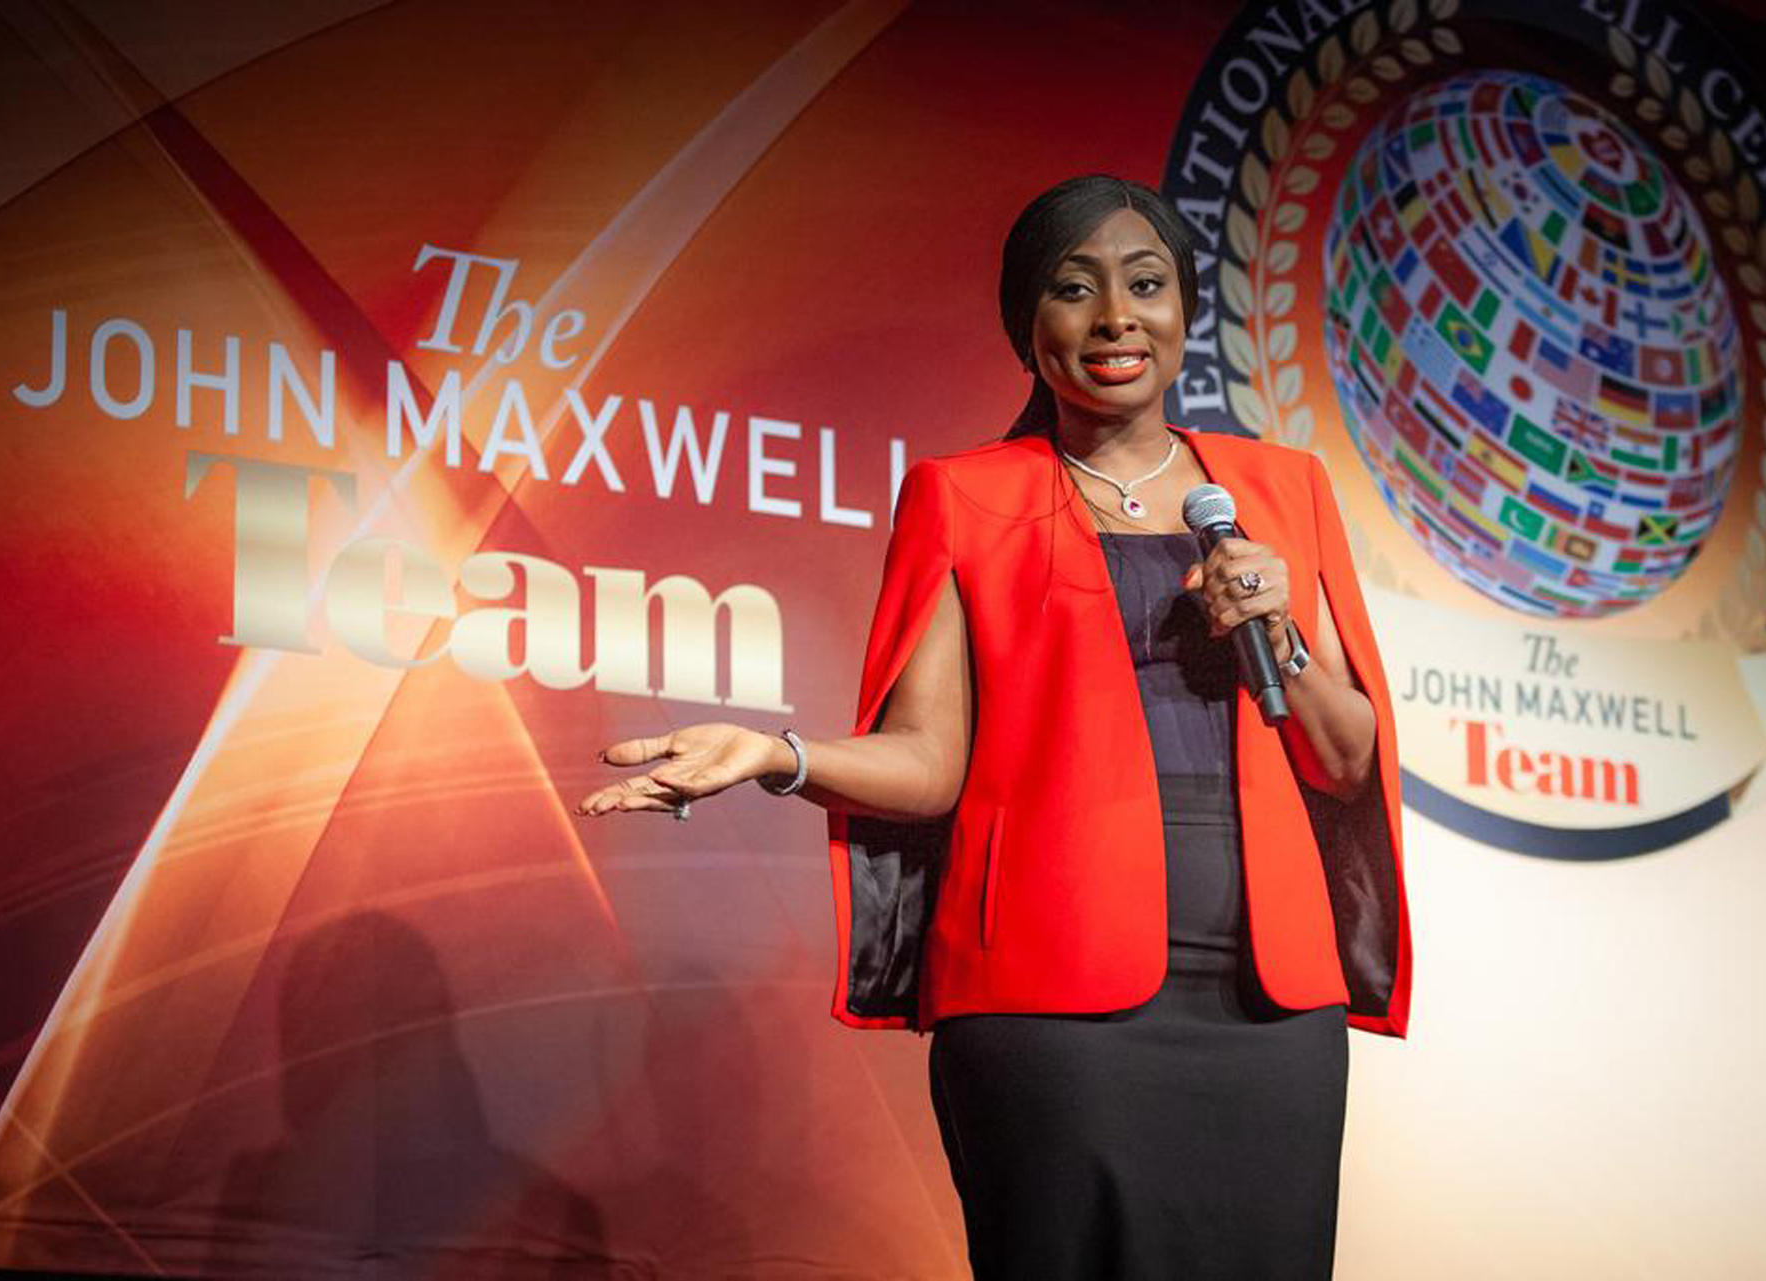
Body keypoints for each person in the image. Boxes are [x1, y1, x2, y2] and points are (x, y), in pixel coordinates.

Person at [576, 175, 1411, 1280]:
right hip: (1054, 1002)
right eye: (1075, 289)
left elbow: (1345, 755)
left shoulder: (1282, 489)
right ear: (1029, 327)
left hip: (1269, 1006)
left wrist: (1282, 631)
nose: (1117, 317)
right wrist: (777, 756)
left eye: (1147, 285)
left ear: (1183, 312)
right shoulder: (965, 496)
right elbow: (930, 762)